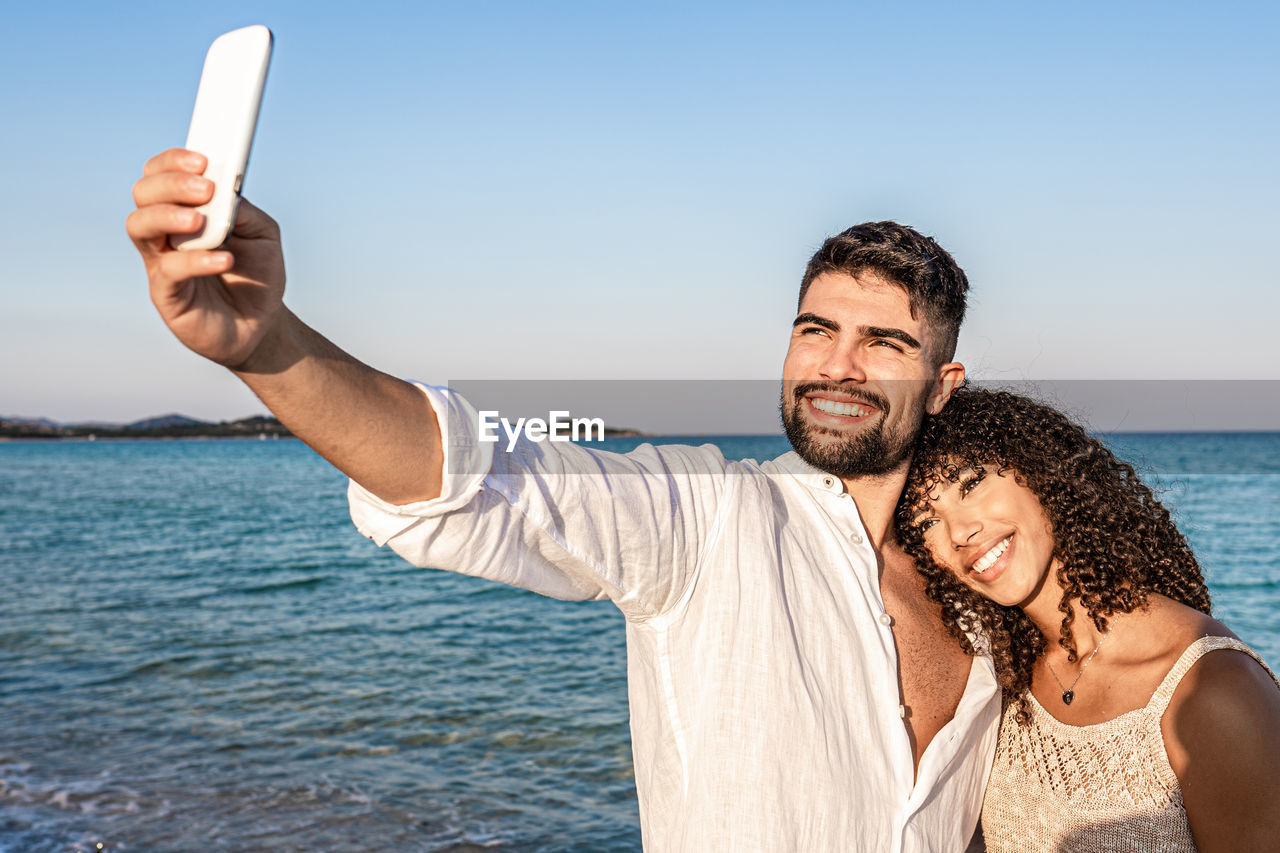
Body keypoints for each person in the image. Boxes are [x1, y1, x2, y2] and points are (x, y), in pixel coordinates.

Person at [127, 147, 1000, 851]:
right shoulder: (710, 518)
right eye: (816, 330)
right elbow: (476, 478)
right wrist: (263, 343)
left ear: (942, 383)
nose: (836, 366)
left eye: (882, 342)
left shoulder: (989, 592)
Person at [896, 387, 1280, 851]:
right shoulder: (1000, 683)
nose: (960, 532)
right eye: (925, 523)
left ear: (1037, 469)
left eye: (971, 484)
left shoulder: (1213, 689)